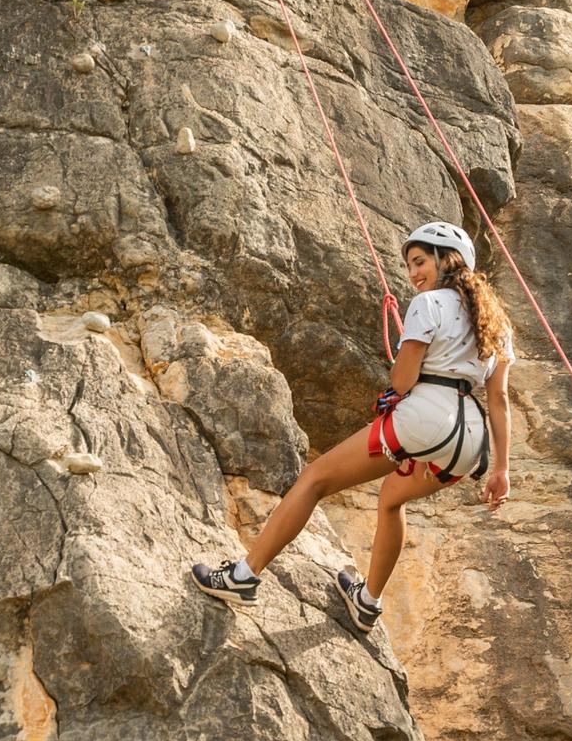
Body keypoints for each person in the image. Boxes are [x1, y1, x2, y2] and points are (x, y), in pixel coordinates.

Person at [190, 221, 514, 634]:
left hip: (426, 416)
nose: (414, 274)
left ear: (444, 259)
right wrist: (501, 470)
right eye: (410, 266)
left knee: (314, 479)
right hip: (469, 440)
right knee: (392, 498)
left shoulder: (429, 305)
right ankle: (367, 602)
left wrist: (405, 349)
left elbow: (402, 382)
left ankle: (243, 575)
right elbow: (499, 399)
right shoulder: (497, 324)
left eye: (419, 262)